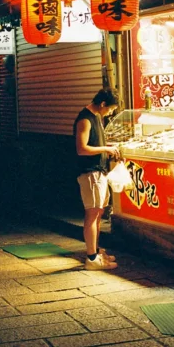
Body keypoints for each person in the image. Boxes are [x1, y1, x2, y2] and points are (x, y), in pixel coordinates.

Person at [74, 88, 121, 270]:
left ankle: (96, 251)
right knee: (92, 215)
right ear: (102, 104)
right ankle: (92, 258)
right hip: (90, 173)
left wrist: (106, 147)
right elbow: (82, 148)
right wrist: (106, 149)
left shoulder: (96, 118)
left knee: (98, 214)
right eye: (110, 109)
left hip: (98, 172)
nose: (110, 113)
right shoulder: (85, 119)